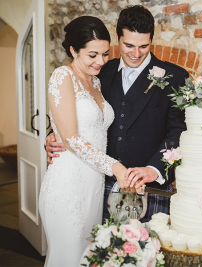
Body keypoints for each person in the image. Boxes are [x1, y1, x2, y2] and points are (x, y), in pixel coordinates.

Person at [46, 6, 188, 224]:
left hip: (150, 189)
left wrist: (154, 169)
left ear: (152, 40)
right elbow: (75, 112)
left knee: (152, 256)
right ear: (117, 38)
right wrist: (52, 137)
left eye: (144, 46)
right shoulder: (99, 71)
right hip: (101, 186)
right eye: (128, 45)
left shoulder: (175, 77)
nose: (136, 53)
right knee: (101, 254)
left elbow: (180, 132)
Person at [38, 16, 139, 266]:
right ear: (73, 50)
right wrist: (114, 167)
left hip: (92, 187)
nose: (101, 61)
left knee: (88, 259)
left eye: (105, 54)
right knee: (69, 259)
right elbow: (70, 137)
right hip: (67, 187)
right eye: (92, 55)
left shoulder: (95, 81)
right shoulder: (62, 77)